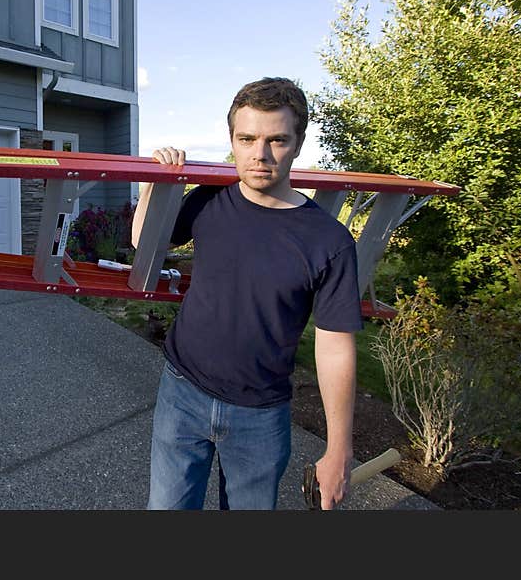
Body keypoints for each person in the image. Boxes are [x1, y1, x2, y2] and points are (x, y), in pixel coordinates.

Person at [132, 77, 362, 510]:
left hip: (260, 415)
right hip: (182, 392)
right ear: (232, 140)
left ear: (297, 143)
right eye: (247, 138)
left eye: (276, 139)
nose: (260, 154)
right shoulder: (208, 199)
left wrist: (338, 450)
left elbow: (335, 347)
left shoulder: (329, 241)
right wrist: (154, 184)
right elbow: (144, 241)